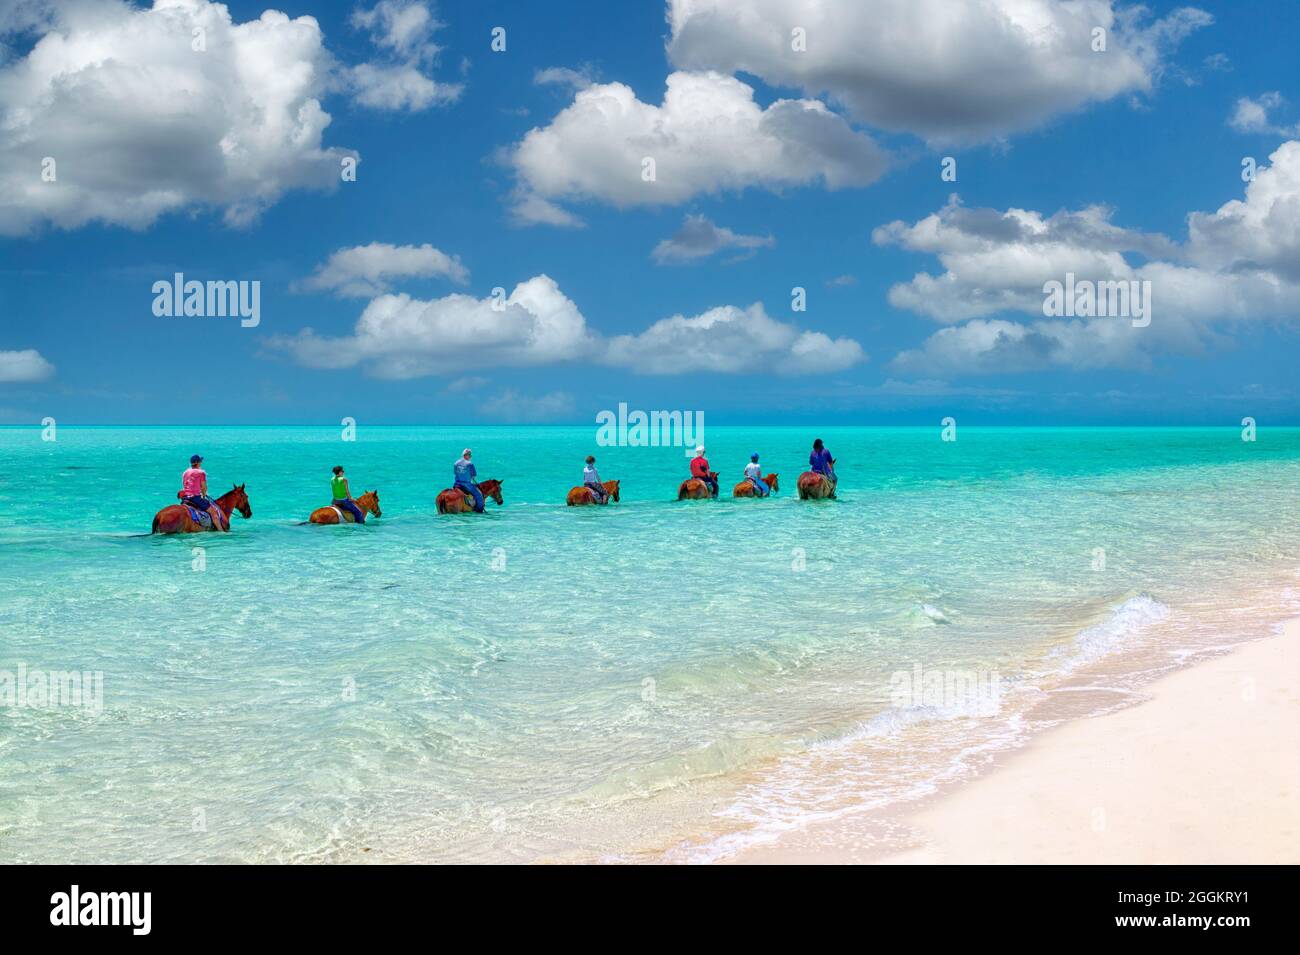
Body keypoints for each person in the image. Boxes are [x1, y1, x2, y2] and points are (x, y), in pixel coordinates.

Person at [178, 454, 227, 531]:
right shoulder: (201, 472)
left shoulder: (185, 472)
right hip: (195, 498)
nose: (201, 463)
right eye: (200, 461)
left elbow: (185, 485)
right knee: (213, 513)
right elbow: (204, 487)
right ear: (197, 462)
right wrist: (204, 494)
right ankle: (221, 531)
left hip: (185, 498)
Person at [453, 448, 485, 512]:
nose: (470, 457)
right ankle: (479, 510)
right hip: (466, 485)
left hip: (457, 485)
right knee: (479, 495)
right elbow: (474, 475)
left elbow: (455, 473)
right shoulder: (470, 464)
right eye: (470, 455)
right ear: (466, 455)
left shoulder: (456, 463)